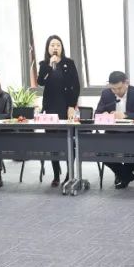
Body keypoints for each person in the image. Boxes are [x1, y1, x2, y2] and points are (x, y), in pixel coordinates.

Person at [36, 35, 80, 187]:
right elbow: (40, 82)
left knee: (68, 142)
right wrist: (49, 65)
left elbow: (76, 86)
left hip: (65, 107)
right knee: (52, 143)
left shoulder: (69, 63)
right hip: (50, 108)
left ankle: (69, 173)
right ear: (48, 48)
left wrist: (72, 106)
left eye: (58, 45)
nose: (55, 47)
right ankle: (56, 174)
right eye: (52, 45)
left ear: (62, 48)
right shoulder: (44, 64)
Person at [95, 71, 134, 189]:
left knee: (132, 151)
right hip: (112, 133)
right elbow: (97, 113)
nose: (116, 91)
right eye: (113, 89)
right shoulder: (106, 94)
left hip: (133, 133)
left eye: (119, 88)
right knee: (100, 152)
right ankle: (125, 175)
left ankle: (123, 176)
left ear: (126, 83)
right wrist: (104, 114)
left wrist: (125, 115)